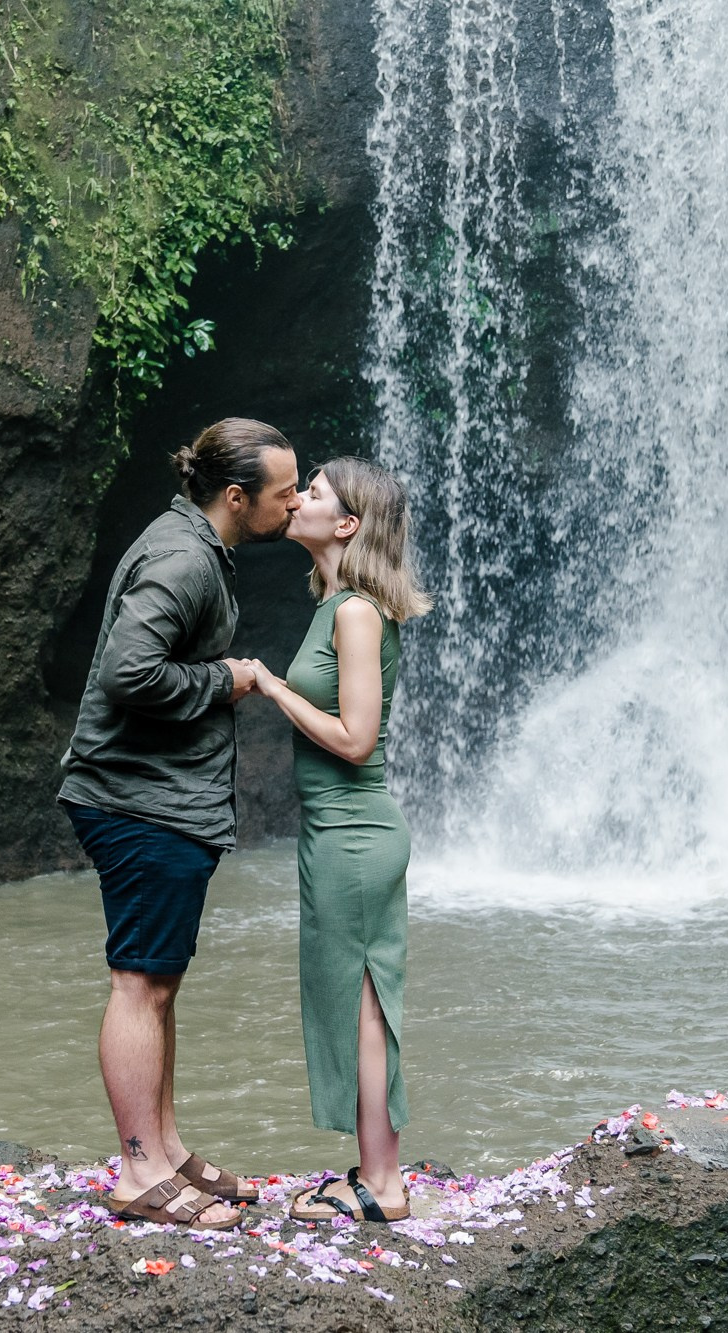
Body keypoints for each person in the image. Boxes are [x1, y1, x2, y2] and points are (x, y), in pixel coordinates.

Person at [58, 418, 302, 1229]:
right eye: (284, 490)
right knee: (139, 981)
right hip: (136, 798)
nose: (296, 501)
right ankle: (138, 1172)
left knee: (160, 980)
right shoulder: (184, 558)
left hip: (156, 796)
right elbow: (131, 672)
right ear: (238, 497)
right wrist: (224, 679)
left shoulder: (193, 544)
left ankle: (163, 1149)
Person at [243, 457, 432, 1223]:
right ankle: (374, 1170)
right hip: (338, 831)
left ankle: (382, 1185)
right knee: (353, 1002)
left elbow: (356, 739)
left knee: (362, 1007)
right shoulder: (336, 603)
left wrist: (272, 685)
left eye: (314, 492)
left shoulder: (355, 612)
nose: (297, 498)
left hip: (355, 830)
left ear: (347, 524)